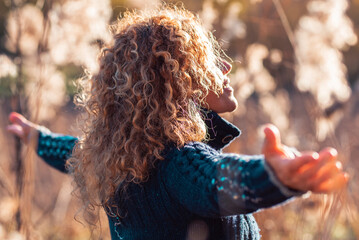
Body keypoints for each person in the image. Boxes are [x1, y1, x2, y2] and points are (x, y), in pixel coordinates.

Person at [7, 6, 348, 240]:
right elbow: (216, 181)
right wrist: (273, 177)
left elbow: (73, 151)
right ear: (177, 81)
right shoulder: (178, 162)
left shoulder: (118, 159)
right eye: (208, 62)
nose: (226, 69)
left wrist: (38, 138)